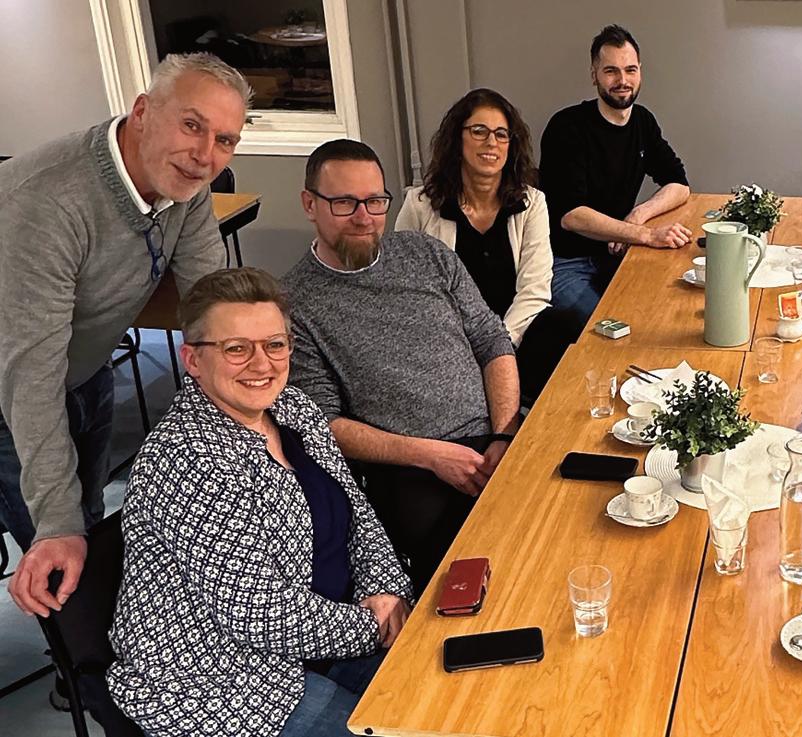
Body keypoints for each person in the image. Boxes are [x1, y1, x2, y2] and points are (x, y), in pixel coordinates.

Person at [107, 268, 413, 737]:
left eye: (274, 344)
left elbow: (358, 515)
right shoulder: (185, 458)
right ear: (193, 359)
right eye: (236, 348)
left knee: (448, 700)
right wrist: (371, 625)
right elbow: (259, 613)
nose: (262, 363)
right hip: (222, 679)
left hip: (328, 632)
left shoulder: (293, 408)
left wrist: (389, 593)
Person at [0, 52, 248, 620]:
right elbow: (30, 379)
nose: (205, 154)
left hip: (86, 367)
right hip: (12, 396)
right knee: (63, 553)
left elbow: (212, 301)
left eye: (225, 140)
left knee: (94, 519)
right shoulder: (47, 202)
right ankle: (87, 659)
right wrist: (57, 524)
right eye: (191, 124)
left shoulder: (186, 184)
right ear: (142, 112)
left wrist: (260, 394)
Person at [283, 139, 520, 593]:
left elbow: (492, 341)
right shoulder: (295, 303)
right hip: (408, 465)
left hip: (493, 436)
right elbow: (325, 424)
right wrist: (432, 455)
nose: (364, 217)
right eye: (344, 202)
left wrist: (505, 434)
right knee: (471, 578)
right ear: (309, 204)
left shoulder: (425, 254)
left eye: (375, 201)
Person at [397, 88, 581, 401]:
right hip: (448, 343)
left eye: (501, 134)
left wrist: (498, 351)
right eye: (479, 131)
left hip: (514, 336)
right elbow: (404, 290)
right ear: (457, 138)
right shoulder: (420, 205)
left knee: (566, 324)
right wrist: (462, 351)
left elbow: (535, 291)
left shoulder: (532, 203)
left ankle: (536, 413)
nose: (491, 142)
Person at [539, 24, 692, 325]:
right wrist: (645, 234)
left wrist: (637, 216)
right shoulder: (566, 127)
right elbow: (571, 216)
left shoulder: (643, 121)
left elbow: (679, 184)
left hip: (620, 253)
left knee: (669, 310)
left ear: (640, 72)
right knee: (616, 328)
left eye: (630, 70)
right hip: (566, 264)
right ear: (594, 74)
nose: (622, 81)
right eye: (611, 71)